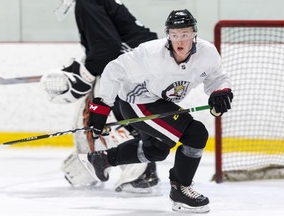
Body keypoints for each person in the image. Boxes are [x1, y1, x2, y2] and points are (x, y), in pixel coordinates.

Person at [79, 9, 233, 213]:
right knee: (195, 133)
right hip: (137, 102)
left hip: (160, 101)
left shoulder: (207, 53)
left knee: (157, 149)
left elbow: (217, 78)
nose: (180, 40)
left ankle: (102, 159)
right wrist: (102, 106)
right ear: (168, 34)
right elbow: (114, 70)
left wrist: (220, 92)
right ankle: (181, 190)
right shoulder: (150, 53)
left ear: (194, 34)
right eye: (175, 34)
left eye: (185, 34)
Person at [41, 0, 160, 194]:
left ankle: (140, 171)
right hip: (141, 66)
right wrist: (85, 66)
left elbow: (106, 51)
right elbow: (111, 45)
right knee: (114, 116)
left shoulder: (86, 2)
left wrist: (85, 73)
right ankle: (97, 165)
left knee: (97, 115)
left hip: (130, 68)